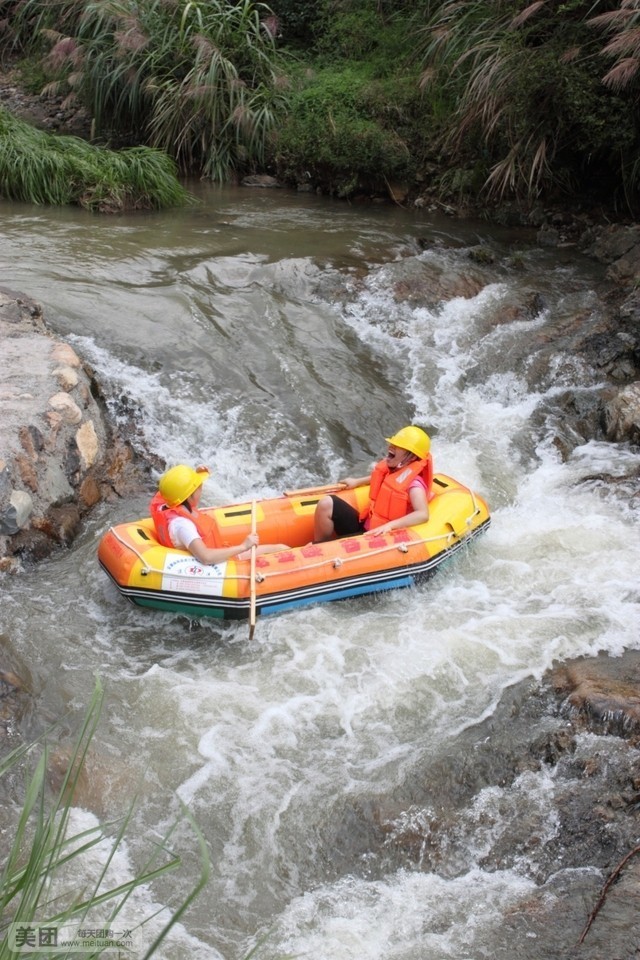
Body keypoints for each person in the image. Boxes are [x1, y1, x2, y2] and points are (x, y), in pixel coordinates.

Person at [313, 426, 432, 542]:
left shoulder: (415, 485)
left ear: (412, 457)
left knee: (336, 545)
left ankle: (324, 551)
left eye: (399, 446)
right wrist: (357, 481)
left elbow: (422, 514)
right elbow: (381, 479)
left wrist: (390, 526)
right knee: (326, 503)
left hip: (380, 539)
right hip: (366, 527)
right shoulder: (393, 469)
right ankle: (319, 545)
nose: (391, 447)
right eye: (393, 443)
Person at [150, 464, 287, 563]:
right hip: (221, 564)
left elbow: (175, 489)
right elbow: (206, 557)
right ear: (188, 495)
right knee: (281, 548)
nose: (201, 490)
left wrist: (194, 474)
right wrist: (243, 546)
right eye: (199, 487)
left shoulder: (167, 502)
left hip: (212, 551)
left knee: (279, 548)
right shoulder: (183, 526)